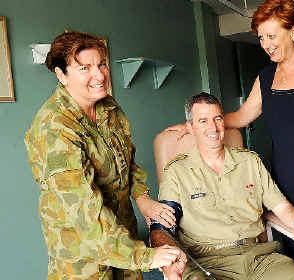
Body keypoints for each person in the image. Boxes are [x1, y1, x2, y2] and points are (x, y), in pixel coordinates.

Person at [165, 0, 294, 263]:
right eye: (262, 37)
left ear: (293, 31)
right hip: (287, 183)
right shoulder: (266, 77)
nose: (266, 44)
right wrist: (204, 122)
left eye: (272, 36)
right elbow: (243, 116)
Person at [25, 31, 184, 279]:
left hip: (122, 233)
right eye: (85, 68)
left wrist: (143, 199)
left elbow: (127, 160)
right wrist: (145, 256)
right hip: (83, 253)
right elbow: (84, 212)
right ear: (61, 75)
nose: (99, 75)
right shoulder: (55, 128)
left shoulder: (108, 106)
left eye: (101, 64)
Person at [151, 93, 294, 280]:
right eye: (202, 121)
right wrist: (168, 263)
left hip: (257, 257)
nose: (212, 127)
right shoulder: (177, 172)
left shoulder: (250, 162)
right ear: (190, 127)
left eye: (217, 118)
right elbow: (161, 228)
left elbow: (282, 208)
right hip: (204, 261)